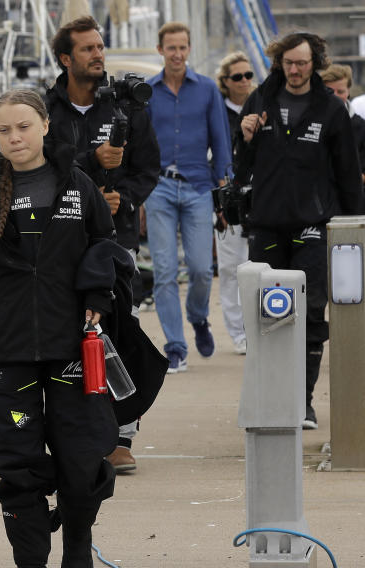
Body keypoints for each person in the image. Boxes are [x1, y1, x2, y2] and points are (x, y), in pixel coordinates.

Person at [0, 89, 118, 568]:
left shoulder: (79, 186)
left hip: (72, 348)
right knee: (17, 467)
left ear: (45, 125)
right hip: (9, 353)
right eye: (3, 130)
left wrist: (97, 297)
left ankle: (79, 529)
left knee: (83, 461)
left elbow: (106, 251)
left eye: (23, 126)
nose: (14, 138)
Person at [45, 15, 161, 474]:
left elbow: (147, 168)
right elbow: (42, 167)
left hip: (115, 240)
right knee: (64, 333)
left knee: (118, 330)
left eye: (100, 46)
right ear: (65, 59)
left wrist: (123, 199)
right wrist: (91, 161)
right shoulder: (45, 111)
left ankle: (120, 435)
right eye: (88, 48)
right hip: (59, 239)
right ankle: (68, 430)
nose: (98, 54)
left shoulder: (127, 107)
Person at [236, 32, 364, 430]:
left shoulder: (331, 108)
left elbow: (348, 174)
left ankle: (302, 402)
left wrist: (353, 226)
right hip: (267, 222)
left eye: (302, 63)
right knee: (266, 314)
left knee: (309, 313)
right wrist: (244, 138)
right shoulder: (260, 100)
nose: (295, 70)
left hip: (313, 223)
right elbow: (241, 166)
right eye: (288, 62)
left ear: (315, 63)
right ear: (280, 63)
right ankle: (270, 399)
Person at [146, 22, 232, 373]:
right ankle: (175, 347)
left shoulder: (208, 89)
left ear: (189, 49)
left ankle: (198, 317)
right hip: (159, 188)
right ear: (161, 50)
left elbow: (221, 139)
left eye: (182, 47)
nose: (177, 54)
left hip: (198, 185)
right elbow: (140, 145)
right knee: (164, 271)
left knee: (200, 268)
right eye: (171, 48)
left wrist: (225, 185)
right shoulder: (148, 92)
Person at [214, 51, 255, 355]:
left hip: (260, 193)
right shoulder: (218, 112)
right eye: (237, 76)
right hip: (227, 196)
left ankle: (258, 326)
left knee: (259, 264)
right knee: (231, 267)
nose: (244, 81)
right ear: (225, 82)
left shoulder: (261, 108)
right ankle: (239, 333)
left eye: (248, 75)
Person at [318, 63, 365, 211]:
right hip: (318, 202)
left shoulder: (361, 126)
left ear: (348, 92)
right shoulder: (309, 123)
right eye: (330, 91)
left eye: (341, 91)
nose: (336, 96)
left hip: (353, 203)